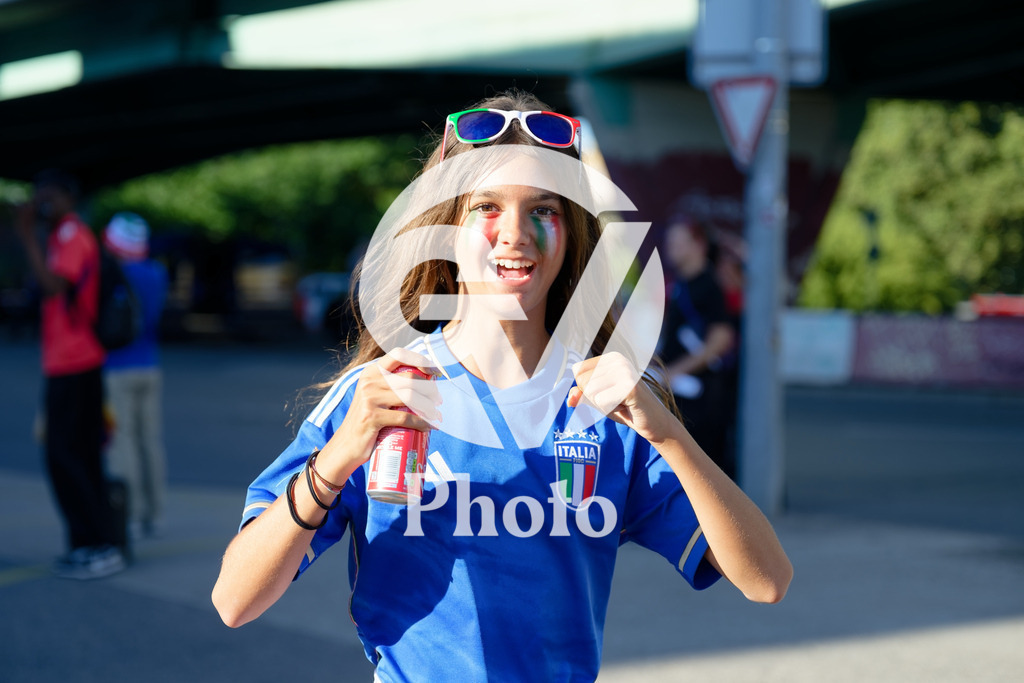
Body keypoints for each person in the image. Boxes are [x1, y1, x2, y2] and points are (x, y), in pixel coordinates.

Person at [212, 91, 791, 682]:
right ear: (447, 231)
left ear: (569, 239)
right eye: (486, 206)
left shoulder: (608, 403)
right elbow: (236, 601)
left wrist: (670, 436)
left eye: (544, 210)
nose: (514, 234)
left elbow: (767, 580)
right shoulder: (381, 395)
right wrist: (337, 460)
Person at [15, 169, 126, 579]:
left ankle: (97, 544)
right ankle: (93, 543)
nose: (41, 206)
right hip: (71, 363)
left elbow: (52, 286)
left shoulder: (70, 235)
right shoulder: (67, 235)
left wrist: (25, 234)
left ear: (66, 198)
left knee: (67, 456)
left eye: (47, 199)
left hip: (76, 363)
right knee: (77, 454)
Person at [102, 212, 170, 539]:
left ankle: (126, 513)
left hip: (116, 368)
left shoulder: (111, 272)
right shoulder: (156, 273)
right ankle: (153, 513)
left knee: (121, 441)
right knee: (149, 441)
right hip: (149, 364)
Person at [658, 214, 738, 480]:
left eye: (679, 242)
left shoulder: (708, 286)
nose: (672, 249)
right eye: (670, 242)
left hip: (703, 400)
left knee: (705, 473)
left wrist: (674, 371)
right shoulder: (683, 285)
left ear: (699, 244)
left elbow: (721, 338)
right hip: (685, 397)